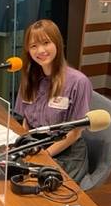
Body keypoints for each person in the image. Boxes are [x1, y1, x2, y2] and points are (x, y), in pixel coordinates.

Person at [14, 19, 92, 182]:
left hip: (66, 150)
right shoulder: (29, 79)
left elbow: (75, 133)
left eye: (46, 43)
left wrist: (45, 155)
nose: (40, 50)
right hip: (36, 144)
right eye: (33, 46)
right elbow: (25, 121)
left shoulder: (78, 82)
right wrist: (27, 146)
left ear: (57, 43)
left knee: (35, 184)